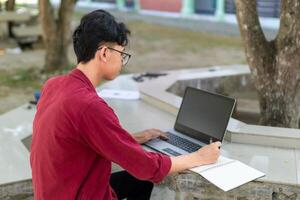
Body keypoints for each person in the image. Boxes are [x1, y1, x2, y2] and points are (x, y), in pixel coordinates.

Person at [30, 9, 221, 200]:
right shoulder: (89, 106)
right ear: (104, 53)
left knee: (139, 183)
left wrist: (131, 139)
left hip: (60, 191)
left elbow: (78, 138)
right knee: (146, 177)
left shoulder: (54, 85)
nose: (122, 61)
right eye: (121, 54)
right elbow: (146, 167)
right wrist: (198, 157)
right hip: (81, 194)